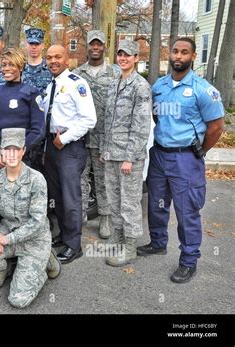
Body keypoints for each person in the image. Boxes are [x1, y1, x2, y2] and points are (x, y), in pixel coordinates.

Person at [137, 38, 225, 283]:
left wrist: (200, 151)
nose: (178, 56)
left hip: (186, 159)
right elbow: (155, 117)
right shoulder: (159, 87)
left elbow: (217, 127)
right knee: (157, 203)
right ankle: (158, 242)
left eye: (184, 52)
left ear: (193, 57)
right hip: (159, 155)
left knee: (187, 211)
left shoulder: (203, 89)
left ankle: (188, 260)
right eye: (175, 51)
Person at [0, 128, 60, 308]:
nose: (12, 154)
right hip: (7, 233)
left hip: (34, 239)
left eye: (16, 149)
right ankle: (3, 269)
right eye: (7, 149)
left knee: (18, 300)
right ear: (1, 152)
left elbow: (37, 222)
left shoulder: (37, 179)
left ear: (23, 150)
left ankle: (46, 260)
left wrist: (5, 239)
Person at [99, 40, 152, 267]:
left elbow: (141, 126)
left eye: (128, 55)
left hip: (129, 156)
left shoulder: (140, 86)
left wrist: (130, 157)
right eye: (120, 54)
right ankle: (118, 235)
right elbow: (106, 120)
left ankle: (130, 246)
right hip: (111, 153)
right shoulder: (114, 84)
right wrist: (103, 149)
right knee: (114, 199)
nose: (123, 58)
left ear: (136, 58)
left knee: (129, 202)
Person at [43, 45, 97, 264]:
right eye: (49, 57)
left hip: (69, 147)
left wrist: (63, 139)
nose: (53, 61)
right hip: (52, 147)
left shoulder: (77, 84)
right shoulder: (51, 86)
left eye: (58, 56)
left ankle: (74, 246)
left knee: (71, 198)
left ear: (68, 60)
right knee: (58, 196)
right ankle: (64, 236)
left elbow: (88, 119)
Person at [72, 30, 120, 239]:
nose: (95, 48)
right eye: (92, 44)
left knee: (103, 180)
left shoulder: (115, 73)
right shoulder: (77, 74)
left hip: (103, 137)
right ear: (88, 46)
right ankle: (80, 216)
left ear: (104, 47)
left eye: (99, 44)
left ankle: (105, 218)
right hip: (82, 137)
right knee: (80, 178)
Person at [0, 48, 45, 177]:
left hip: (22, 154)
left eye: (11, 64)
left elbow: (38, 130)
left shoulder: (31, 93)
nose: (6, 69)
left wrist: (16, 153)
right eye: (4, 65)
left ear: (21, 67)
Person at [22, 28, 52, 96]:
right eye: (31, 44)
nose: (34, 47)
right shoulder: (20, 69)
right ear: (26, 45)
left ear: (43, 46)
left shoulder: (50, 68)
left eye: (37, 44)